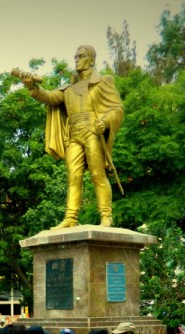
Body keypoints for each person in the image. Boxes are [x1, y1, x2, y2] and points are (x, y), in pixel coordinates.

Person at [19, 45, 123, 228]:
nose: (77, 60)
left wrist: (106, 121)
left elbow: (117, 109)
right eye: (75, 57)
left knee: (98, 174)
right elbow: (49, 97)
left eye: (81, 56)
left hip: (93, 131)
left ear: (91, 60)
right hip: (73, 134)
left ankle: (106, 216)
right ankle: (71, 218)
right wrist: (32, 87)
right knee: (73, 176)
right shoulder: (68, 88)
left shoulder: (103, 81)